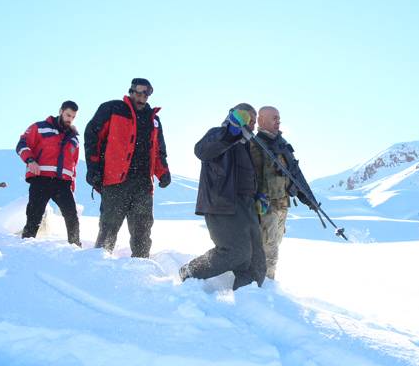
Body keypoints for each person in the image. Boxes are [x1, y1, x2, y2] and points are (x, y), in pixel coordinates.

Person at [179, 104, 267, 290]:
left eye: (254, 121)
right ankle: (191, 270)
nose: (252, 125)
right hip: (222, 204)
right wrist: (230, 131)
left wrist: (257, 194)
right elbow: (201, 151)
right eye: (248, 120)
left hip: (246, 206)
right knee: (236, 253)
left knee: (256, 261)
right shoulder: (220, 134)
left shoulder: (245, 145)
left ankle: (247, 298)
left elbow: (246, 174)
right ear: (237, 117)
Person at [84, 78, 171, 256]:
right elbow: (92, 137)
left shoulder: (154, 120)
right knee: (109, 228)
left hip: (143, 185)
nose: (141, 97)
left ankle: (140, 268)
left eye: (145, 94)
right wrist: (93, 169)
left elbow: (158, 151)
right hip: (116, 181)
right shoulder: (112, 109)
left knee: (142, 231)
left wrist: (163, 172)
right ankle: (97, 265)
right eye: (137, 93)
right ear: (131, 92)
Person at [249, 106, 317, 280]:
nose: (278, 121)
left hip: (282, 205)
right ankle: (264, 284)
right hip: (264, 206)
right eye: (274, 118)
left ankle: (263, 282)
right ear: (261, 120)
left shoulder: (282, 146)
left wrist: (309, 200)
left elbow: (296, 176)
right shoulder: (253, 145)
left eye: (279, 118)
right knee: (268, 248)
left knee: (275, 245)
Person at [16, 100, 82, 246]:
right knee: (34, 216)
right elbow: (22, 145)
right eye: (67, 115)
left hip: (63, 184)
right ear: (60, 111)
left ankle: (76, 248)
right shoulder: (39, 128)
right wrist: (30, 160)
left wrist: (72, 186)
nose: (69, 119)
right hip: (41, 179)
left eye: (73, 117)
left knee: (72, 216)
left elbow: (73, 164)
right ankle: (25, 246)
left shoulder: (74, 138)